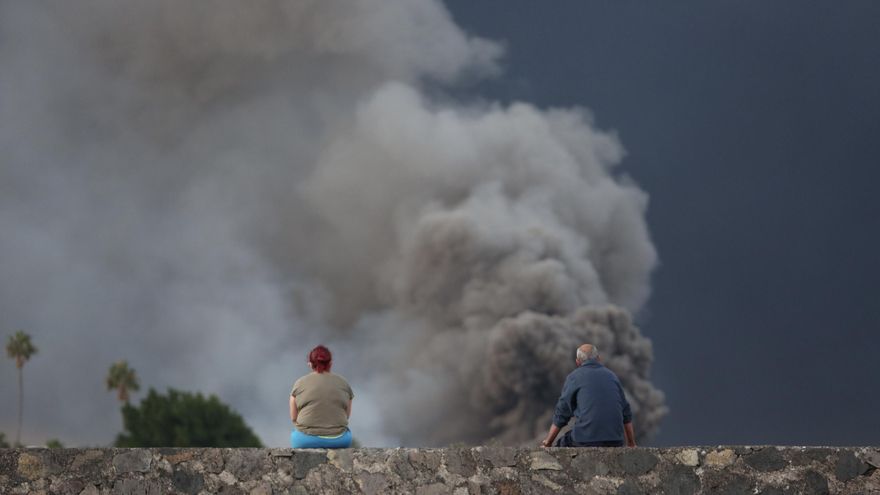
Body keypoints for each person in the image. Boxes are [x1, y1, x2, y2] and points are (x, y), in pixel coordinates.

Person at [540, 344, 636, 448]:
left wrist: (548, 442)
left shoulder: (574, 377)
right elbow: (626, 412)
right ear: (599, 358)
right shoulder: (612, 376)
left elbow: (562, 413)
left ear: (578, 362)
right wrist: (631, 443)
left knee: (560, 448)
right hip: (615, 440)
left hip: (585, 439)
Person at [289, 345, 354, 448]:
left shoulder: (299, 383)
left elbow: (293, 418)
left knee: (294, 434)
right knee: (347, 433)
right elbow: (346, 416)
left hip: (305, 441)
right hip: (339, 440)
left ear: (310, 364)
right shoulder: (344, 383)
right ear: (330, 363)